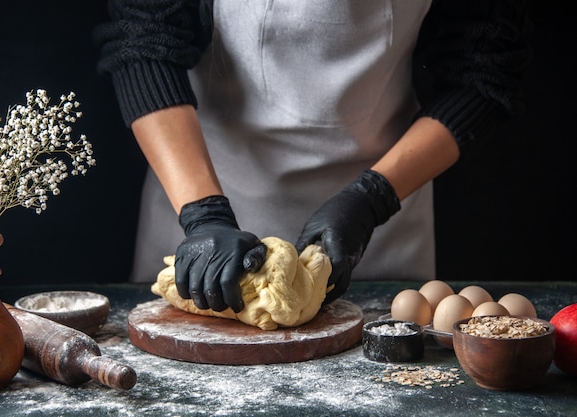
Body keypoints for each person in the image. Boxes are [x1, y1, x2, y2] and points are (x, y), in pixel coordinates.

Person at [95, 0, 531, 313]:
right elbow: (143, 43)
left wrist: (373, 197)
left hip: (386, 215)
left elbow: (483, 67)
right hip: (200, 190)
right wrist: (202, 213)